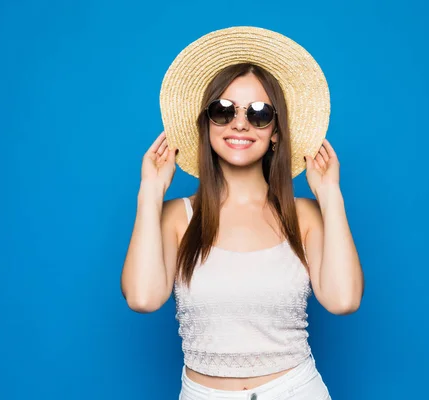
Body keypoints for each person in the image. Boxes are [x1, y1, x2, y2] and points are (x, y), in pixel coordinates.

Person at [121, 27, 364, 400]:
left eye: (259, 113)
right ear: (207, 125)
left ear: (276, 132)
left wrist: (331, 195)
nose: (240, 123)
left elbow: (343, 300)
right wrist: (150, 192)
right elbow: (142, 298)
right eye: (223, 110)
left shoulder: (305, 217)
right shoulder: (176, 218)